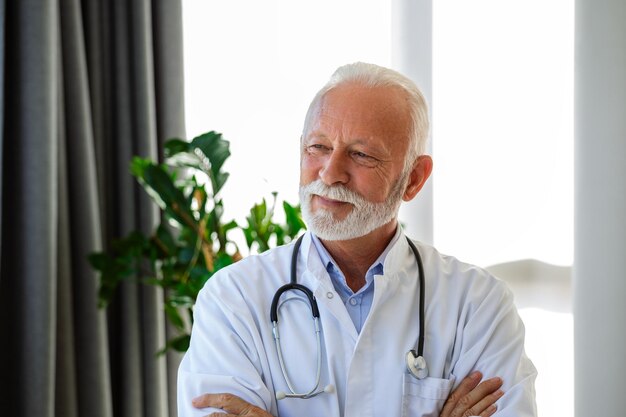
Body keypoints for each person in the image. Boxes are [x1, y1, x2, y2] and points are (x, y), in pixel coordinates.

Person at [178, 62, 537, 417]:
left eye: (361, 155)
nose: (331, 173)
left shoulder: (478, 306)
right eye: (318, 146)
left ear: (413, 178)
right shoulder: (232, 300)